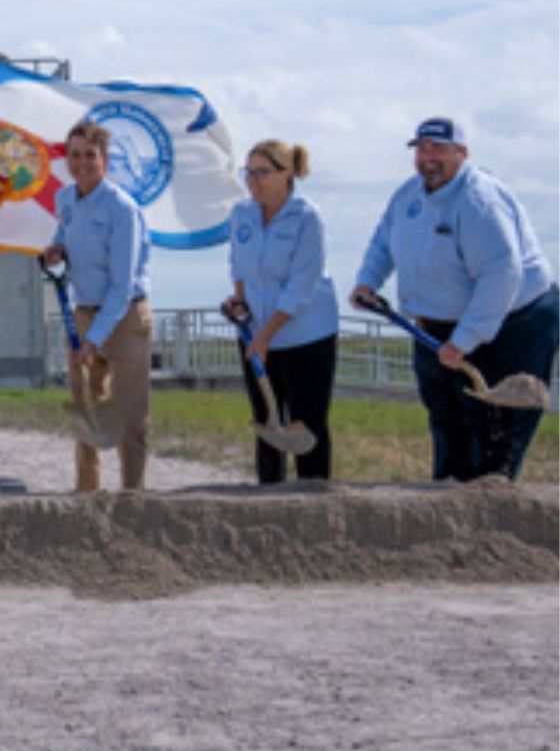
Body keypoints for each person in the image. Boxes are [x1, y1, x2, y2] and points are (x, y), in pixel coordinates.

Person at [352, 117, 557, 481]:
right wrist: (368, 281)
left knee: (496, 430)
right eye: (421, 149)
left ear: (461, 153)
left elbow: (501, 274)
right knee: (446, 417)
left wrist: (464, 340)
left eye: (439, 149)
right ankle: (449, 506)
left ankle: (494, 511)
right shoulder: (407, 196)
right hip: (440, 323)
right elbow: (384, 240)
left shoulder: (479, 201)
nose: (428, 157)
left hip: (515, 322)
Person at [40, 120, 152, 492]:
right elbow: (64, 239)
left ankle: (133, 496)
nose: (82, 163)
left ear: (105, 160)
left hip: (125, 317)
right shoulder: (66, 199)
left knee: (129, 417)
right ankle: (86, 492)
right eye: (74, 155)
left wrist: (93, 340)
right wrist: (55, 251)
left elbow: (121, 287)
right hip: (84, 314)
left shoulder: (123, 209)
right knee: (85, 409)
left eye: (90, 155)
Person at [220, 140, 338, 483]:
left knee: (307, 424)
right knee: (266, 421)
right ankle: (268, 496)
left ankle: (313, 500)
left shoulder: (307, 218)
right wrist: (239, 302)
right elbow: (238, 266)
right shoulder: (242, 214)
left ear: (287, 174)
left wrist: (265, 337)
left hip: (306, 336)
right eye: (249, 173)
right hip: (255, 334)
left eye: (262, 173)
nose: (253, 181)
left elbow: (301, 287)